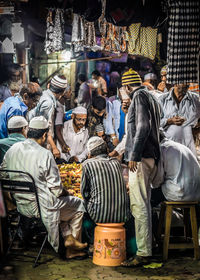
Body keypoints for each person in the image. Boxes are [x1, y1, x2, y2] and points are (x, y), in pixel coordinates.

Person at [0, 116, 87, 259]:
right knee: (78, 206)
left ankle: (68, 238)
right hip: (42, 208)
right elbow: (57, 191)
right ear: (45, 135)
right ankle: (72, 247)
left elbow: (2, 173)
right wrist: (68, 192)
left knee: (63, 205)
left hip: (21, 206)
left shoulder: (13, 149)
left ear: (29, 132)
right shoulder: (45, 154)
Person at [121, 68, 161, 267]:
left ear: (127, 86)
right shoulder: (150, 96)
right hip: (151, 156)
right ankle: (149, 245)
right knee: (144, 203)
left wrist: (134, 155)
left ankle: (144, 252)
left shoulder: (138, 96)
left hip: (142, 158)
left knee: (139, 204)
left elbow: (143, 127)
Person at [81, 136, 129, 223]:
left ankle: (88, 233)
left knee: (81, 204)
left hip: (99, 216)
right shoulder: (117, 163)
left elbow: (84, 193)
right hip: (123, 215)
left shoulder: (87, 164)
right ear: (107, 150)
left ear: (89, 154)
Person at [151, 134, 200, 206]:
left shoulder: (162, 149)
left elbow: (158, 181)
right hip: (197, 193)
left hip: (180, 193)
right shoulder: (180, 146)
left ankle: (151, 217)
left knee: (149, 197)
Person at [29, 75, 68, 158]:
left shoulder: (45, 95)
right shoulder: (48, 102)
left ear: (49, 85)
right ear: (62, 92)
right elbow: (42, 128)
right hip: (39, 141)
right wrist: (54, 147)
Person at [159, 83, 200, 156]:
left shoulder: (196, 99)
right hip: (168, 146)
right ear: (175, 84)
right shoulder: (162, 99)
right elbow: (155, 122)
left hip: (189, 146)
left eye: (188, 83)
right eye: (183, 82)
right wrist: (169, 121)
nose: (186, 85)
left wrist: (196, 128)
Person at [109, 89, 131, 158]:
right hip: (117, 139)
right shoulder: (112, 101)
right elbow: (108, 120)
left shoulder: (134, 106)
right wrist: (113, 137)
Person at [55, 85, 72, 155]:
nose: (71, 93)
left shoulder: (62, 104)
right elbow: (57, 129)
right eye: (70, 91)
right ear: (64, 93)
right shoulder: (59, 107)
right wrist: (63, 144)